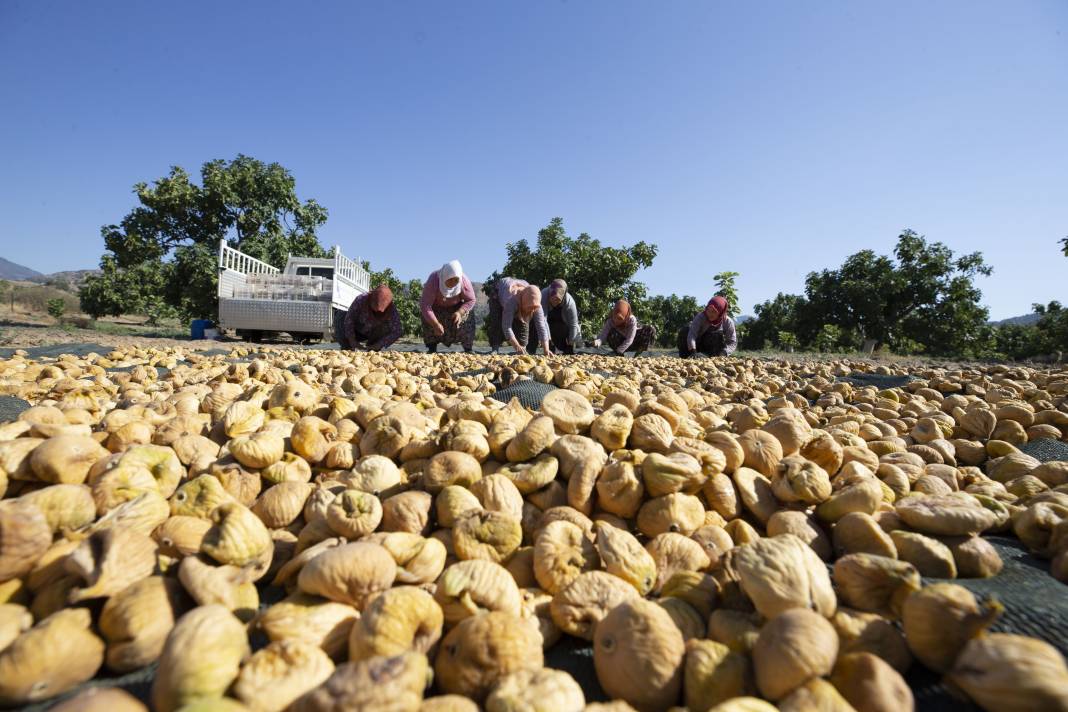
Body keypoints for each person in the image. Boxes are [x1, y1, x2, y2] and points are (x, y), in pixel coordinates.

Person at [420, 260, 477, 353]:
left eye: (456, 280)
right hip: (436, 309)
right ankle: (432, 347)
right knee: (426, 316)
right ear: (445, 276)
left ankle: (468, 348)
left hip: (456, 308)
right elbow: (425, 305)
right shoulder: (434, 279)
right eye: (450, 279)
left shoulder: (464, 281)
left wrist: (460, 312)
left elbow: (471, 300)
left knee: (468, 315)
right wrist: (435, 324)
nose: (453, 283)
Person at [487, 277, 552, 355]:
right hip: (498, 292)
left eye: (533, 308)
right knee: (497, 320)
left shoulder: (536, 304)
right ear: (524, 302)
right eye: (529, 308)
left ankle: (522, 348)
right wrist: (517, 346)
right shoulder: (511, 301)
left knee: (523, 324)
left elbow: (541, 326)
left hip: (520, 287)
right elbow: (506, 326)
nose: (531, 311)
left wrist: (546, 350)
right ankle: (495, 348)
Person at [340, 284, 402, 351]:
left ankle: (373, 348)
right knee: (341, 316)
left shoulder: (391, 309)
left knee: (385, 327)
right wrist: (352, 339)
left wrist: (379, 344)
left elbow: (397, 331)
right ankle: (347, 346)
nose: (377, 312)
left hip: (373, 334)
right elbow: (349, 319)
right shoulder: (361, 299)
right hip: (357, 330)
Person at [591, 299, 657, 356]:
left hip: (633, 342)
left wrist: (618, 351)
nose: (616, 320)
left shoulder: (631, 320)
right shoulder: (610, 321)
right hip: (619, 342)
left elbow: (630, 339)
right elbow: (603, 336)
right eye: (615, 317)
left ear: (626, 316)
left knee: (650, 329)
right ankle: (619, 353)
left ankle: (639, 353)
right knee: (612, 332)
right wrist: (597, 342)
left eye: (620, 318)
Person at [541, 279, 581, 354]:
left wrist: (570, 344)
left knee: (573, 336)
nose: (554, 302)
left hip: (563, 326)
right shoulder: (544, 295)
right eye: (552, 299)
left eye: (557, 300)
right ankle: (531, 350)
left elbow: (573, 325)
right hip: (549, 324)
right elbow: (543, 320)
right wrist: (548, 341)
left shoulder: (570, 302)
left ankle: (566, 347)